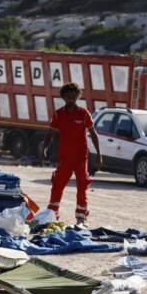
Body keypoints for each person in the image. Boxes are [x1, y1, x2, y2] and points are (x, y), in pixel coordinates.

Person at [42, 82, 102, 224]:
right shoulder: (59, 114)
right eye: (67, 97)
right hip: (65, 158)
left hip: (81, 158)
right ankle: (52, 214)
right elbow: (50, 133)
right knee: (57, 185)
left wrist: (99, 155)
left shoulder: (84, 113)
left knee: (82, 186)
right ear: (63, 97)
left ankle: (81, 218)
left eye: (73, 97)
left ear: (77, 97)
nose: (70, 99)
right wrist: (44, 148)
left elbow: (94, 134)